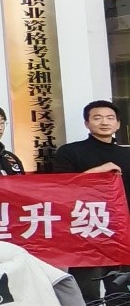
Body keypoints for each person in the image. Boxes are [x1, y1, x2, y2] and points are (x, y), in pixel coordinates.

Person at [52, 100, 130, 300]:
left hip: (123, 231)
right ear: (87, 123)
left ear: (118, 124)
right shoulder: (70, 152)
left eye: (110, 118)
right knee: (88, 294)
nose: (104, 122)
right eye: (97, 118)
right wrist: (97, 172)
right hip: (87, 231)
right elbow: (59, 188)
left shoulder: (127, 153)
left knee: (122, 292)